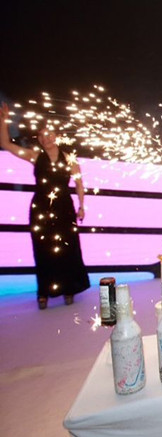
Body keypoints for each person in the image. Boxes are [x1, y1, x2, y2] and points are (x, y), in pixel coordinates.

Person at [0, 101, 90, 309]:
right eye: (41, 135)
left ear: (56, 136)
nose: (45, 138)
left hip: (64, 208)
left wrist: (81, 206)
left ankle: (69, 288)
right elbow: (6, 144)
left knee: (67, 249)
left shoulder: (69, 159)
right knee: (42, 250)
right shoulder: (35, 156)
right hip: (41, 208)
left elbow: (79, 183)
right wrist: (3, 121)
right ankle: (44, 293)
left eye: (48, 134)